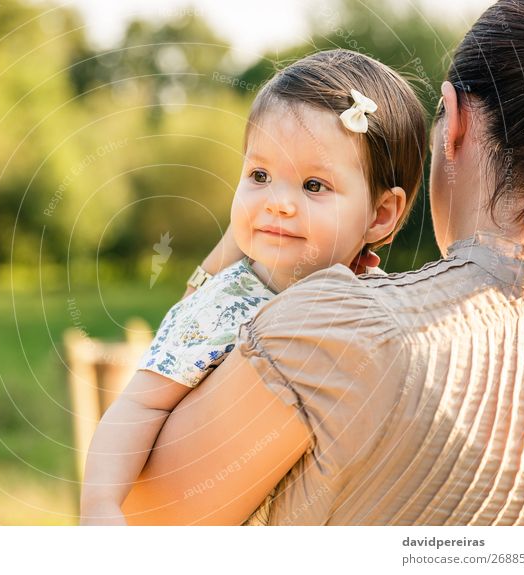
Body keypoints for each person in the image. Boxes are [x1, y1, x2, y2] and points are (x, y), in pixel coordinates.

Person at [119, 0, 524, 526]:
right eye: (258, 175)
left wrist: (236, 253)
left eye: (312, 185)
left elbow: (148, 516)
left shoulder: (335, 325)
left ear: (455, 121)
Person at [79, 49, 427, 525]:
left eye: (313, 185)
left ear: (381, 214)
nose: (278, 203)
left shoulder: (386, 305)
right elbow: (139, 402)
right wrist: (100, 507)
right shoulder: (226, 305)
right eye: (260, 176)